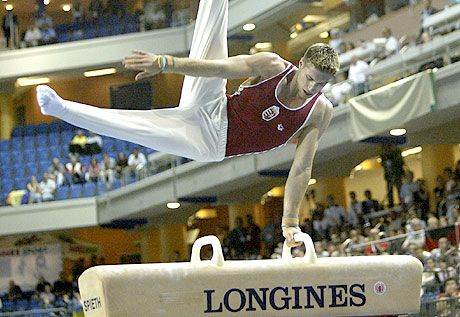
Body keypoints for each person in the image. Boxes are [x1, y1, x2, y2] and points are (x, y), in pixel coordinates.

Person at [36, 0, 338, 247]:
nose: (312, 88)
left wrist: (290, 223)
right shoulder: (271, 65)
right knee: (211, 31)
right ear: (300, 65)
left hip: (207, 141)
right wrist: (165, 63)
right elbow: (220, 67)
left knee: (132, 126)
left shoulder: (319, 111)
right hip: (214, 104)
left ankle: (63, 109)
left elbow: (302, 168)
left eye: (321, 84)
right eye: (310, 78)